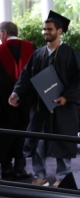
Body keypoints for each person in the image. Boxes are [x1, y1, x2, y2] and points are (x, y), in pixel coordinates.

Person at [8, 11, 80, 187]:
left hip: (62, 108)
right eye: (44, 29)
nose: (45, 32)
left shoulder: (70, 53)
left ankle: (62, 177)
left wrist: (67, 96)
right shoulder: (38, 54)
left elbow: (78, 80)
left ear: (60, 31)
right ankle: (40, 176)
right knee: (38, 144)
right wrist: (16, 93)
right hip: (40, 107)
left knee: (62, 142)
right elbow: (26, 76)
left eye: (49, 29)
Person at [0, 21, 34, 180]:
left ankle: (6, 169)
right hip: (26, 102)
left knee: (5, 135)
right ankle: (20, 169)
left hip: (4, 104)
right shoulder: (32, 49)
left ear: (4, 33)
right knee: (23, 134)